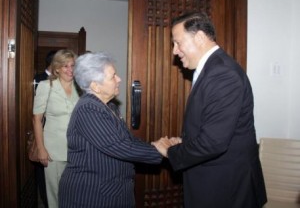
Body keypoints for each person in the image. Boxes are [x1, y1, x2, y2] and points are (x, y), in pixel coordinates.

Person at [152, 12, 267, 208]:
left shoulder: (223, 74)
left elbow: (213, 143)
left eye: (178, 43)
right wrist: (187, 142)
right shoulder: (212, 69)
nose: (174, 51)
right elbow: (214, 127)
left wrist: (171, 151)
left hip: (226, 187)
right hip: (216, 182)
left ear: (199, 38)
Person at [58, 52, 163, 208]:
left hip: (111, 191)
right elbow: (118, 146)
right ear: (95, 86)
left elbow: (128, 140)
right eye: (113, 76)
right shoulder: (88, 108)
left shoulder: (109, 106)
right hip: (91, 196)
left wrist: (154, 146)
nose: (119, 79)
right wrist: (160, 151)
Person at [33, 49, 79, 208]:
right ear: (57, 68)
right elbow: (37, 119)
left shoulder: (81, 88)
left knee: (76, 192)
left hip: (78, 150)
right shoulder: (46, 86)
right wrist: (41, 149)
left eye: (72, 65)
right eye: (65, 66)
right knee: (55, 195)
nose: (70, 70)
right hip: (53, 150)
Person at [32, 50, 57, 208]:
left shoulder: (66, 81)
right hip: (43, 132)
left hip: (59, 137)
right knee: (43, 173)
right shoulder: (38, 79)